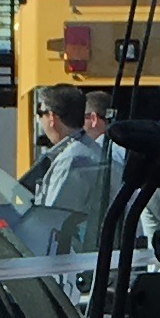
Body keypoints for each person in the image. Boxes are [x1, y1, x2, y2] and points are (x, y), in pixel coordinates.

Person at [24, 84, 115, 248]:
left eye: (40, 113)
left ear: (52, 118)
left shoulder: (73, 160)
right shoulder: (90, 150)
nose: (40, 120)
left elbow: (50, 219)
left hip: (78, 261)